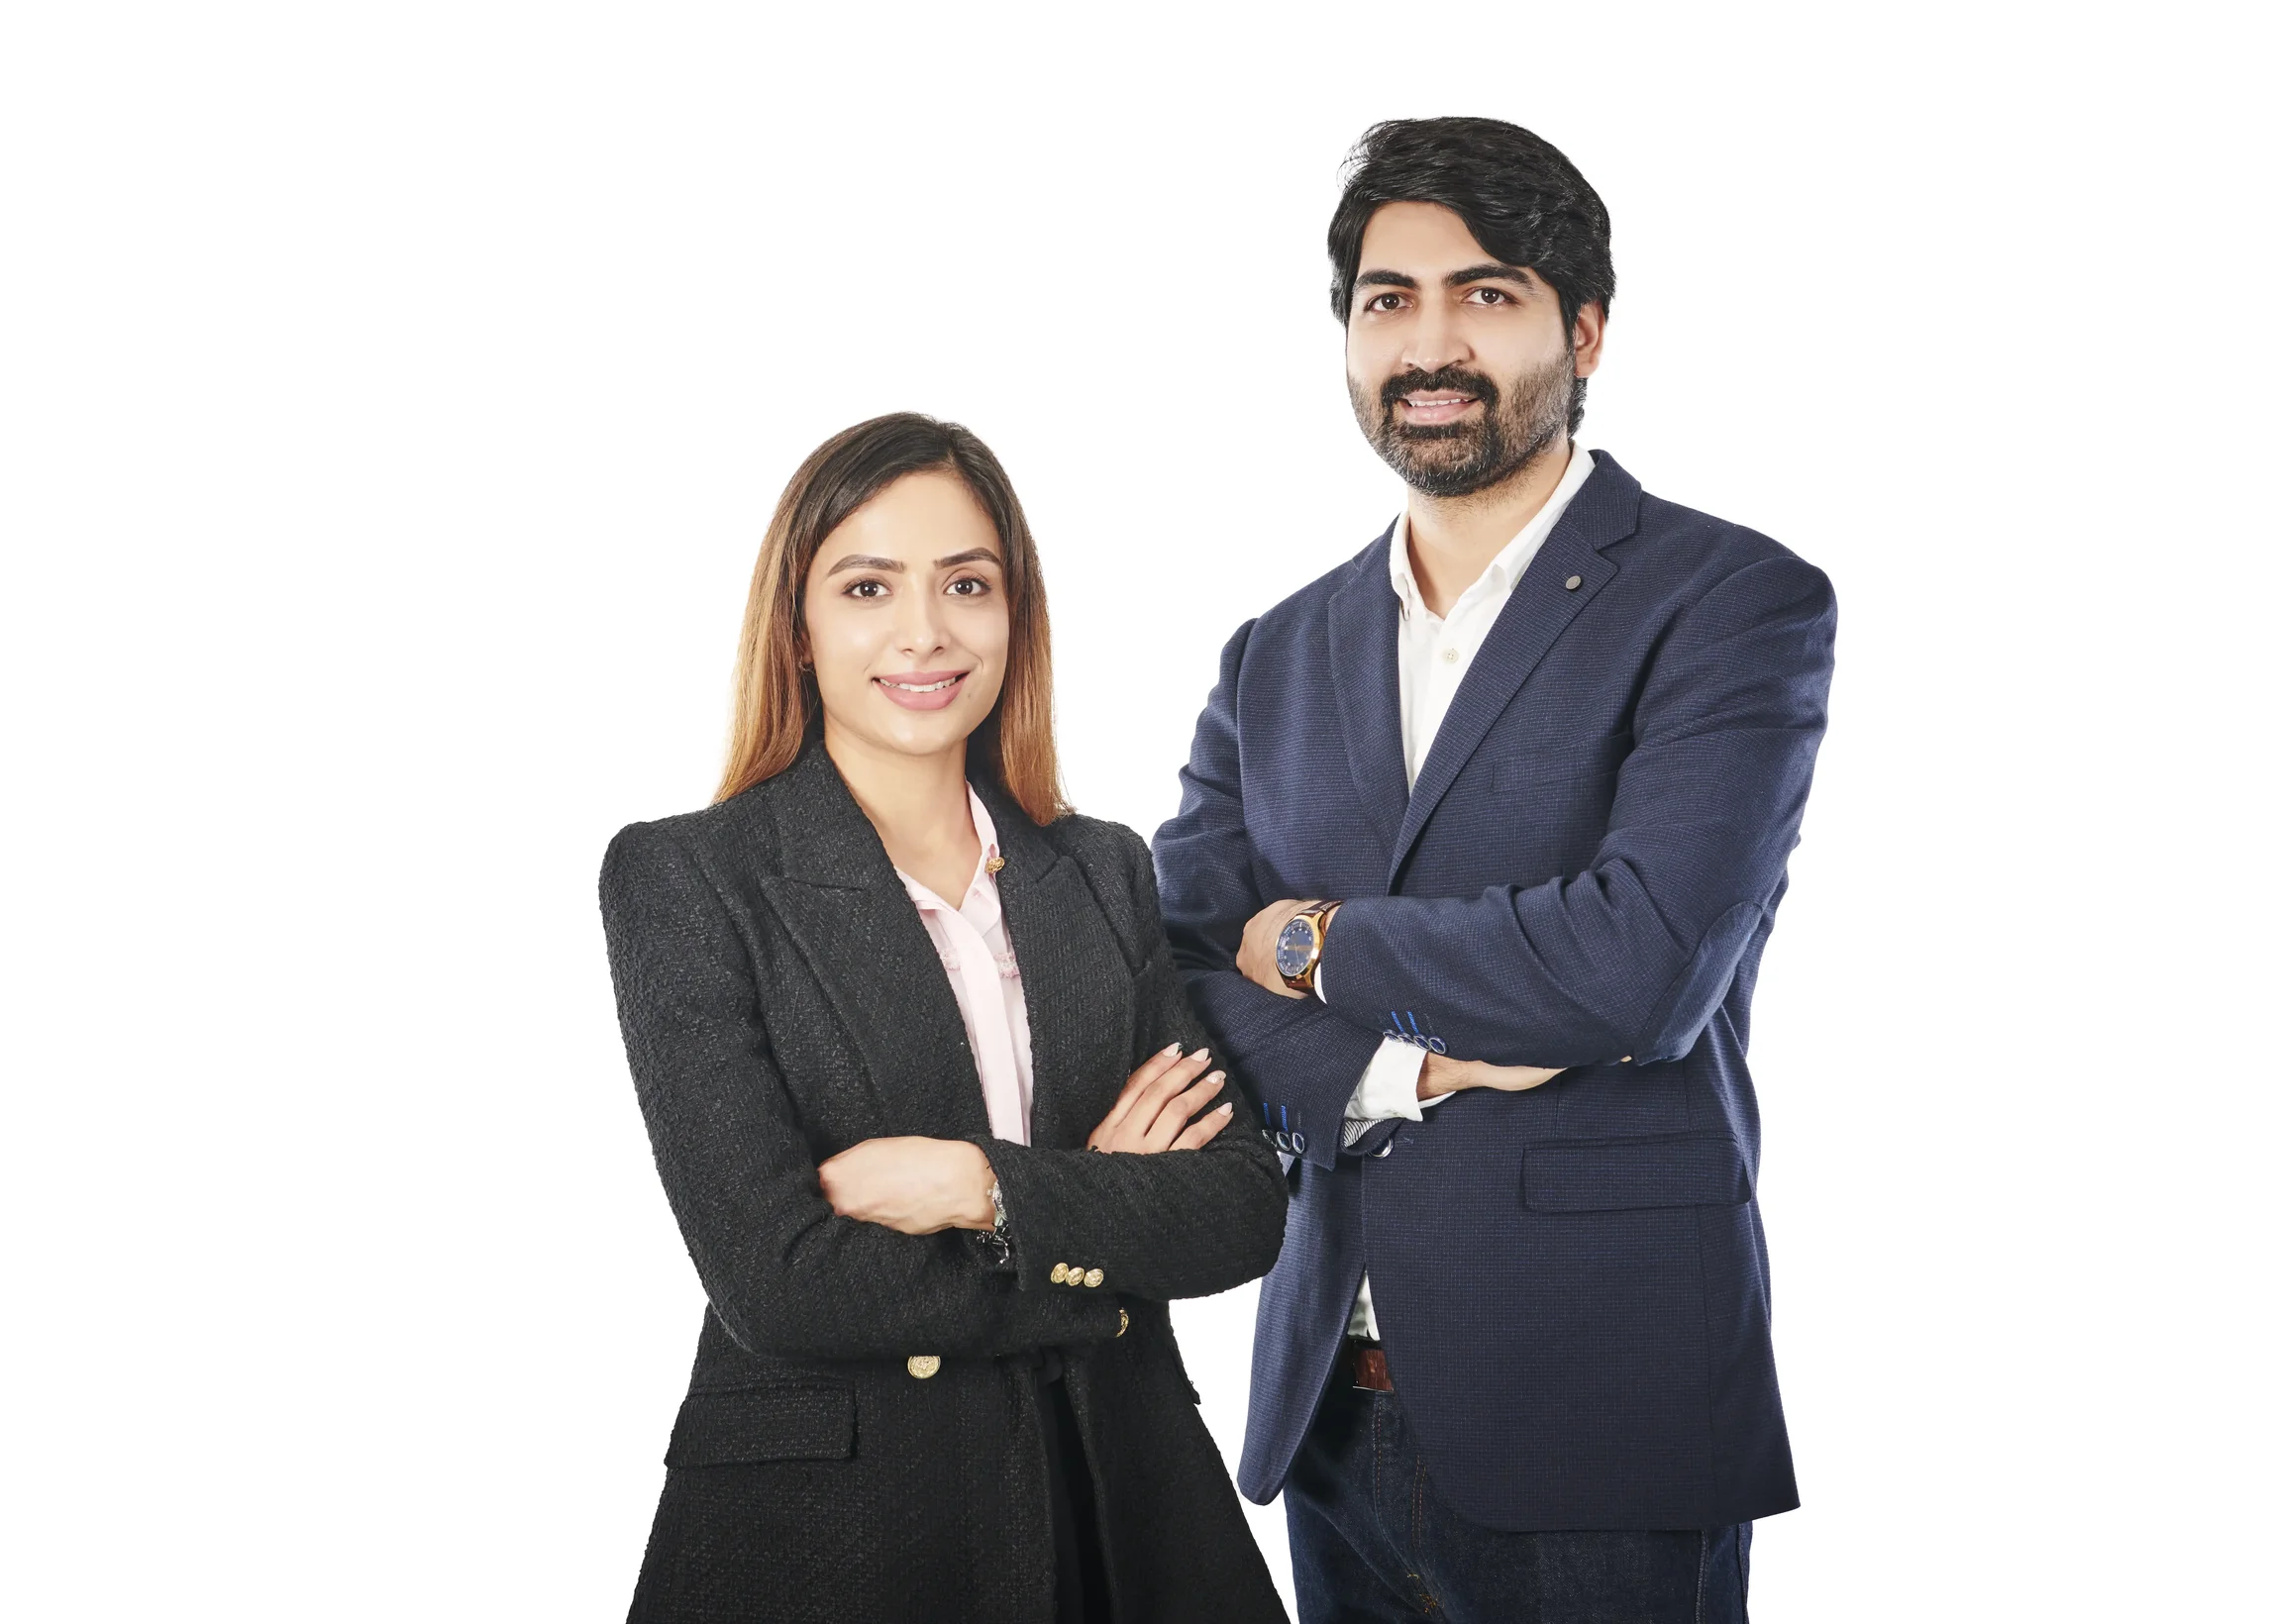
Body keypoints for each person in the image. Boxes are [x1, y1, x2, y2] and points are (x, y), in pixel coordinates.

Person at [1152, 118, 1836, 1622]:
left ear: (1583, 329)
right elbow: (1183, 968)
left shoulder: (1731, 603)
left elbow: (1638, 962)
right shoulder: (1273, 655)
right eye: (1388, 299)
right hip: (1332, 1399)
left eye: (1488, 292)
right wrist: (1407, 1075)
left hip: (1603, 1404)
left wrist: (1315, 944)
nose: (1431, 342)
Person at [598, 412, 1291, 1624]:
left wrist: (980, 1184)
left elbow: (1236, 1210)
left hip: (1119, 1505)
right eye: (868, 585)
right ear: (798, 630)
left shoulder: (1098, 869)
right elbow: (782, 1281)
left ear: (1013, 613)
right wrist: (1098, 1218)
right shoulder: (689, 878)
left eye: (965, 583)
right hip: (840, 1528)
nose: (924, 631)